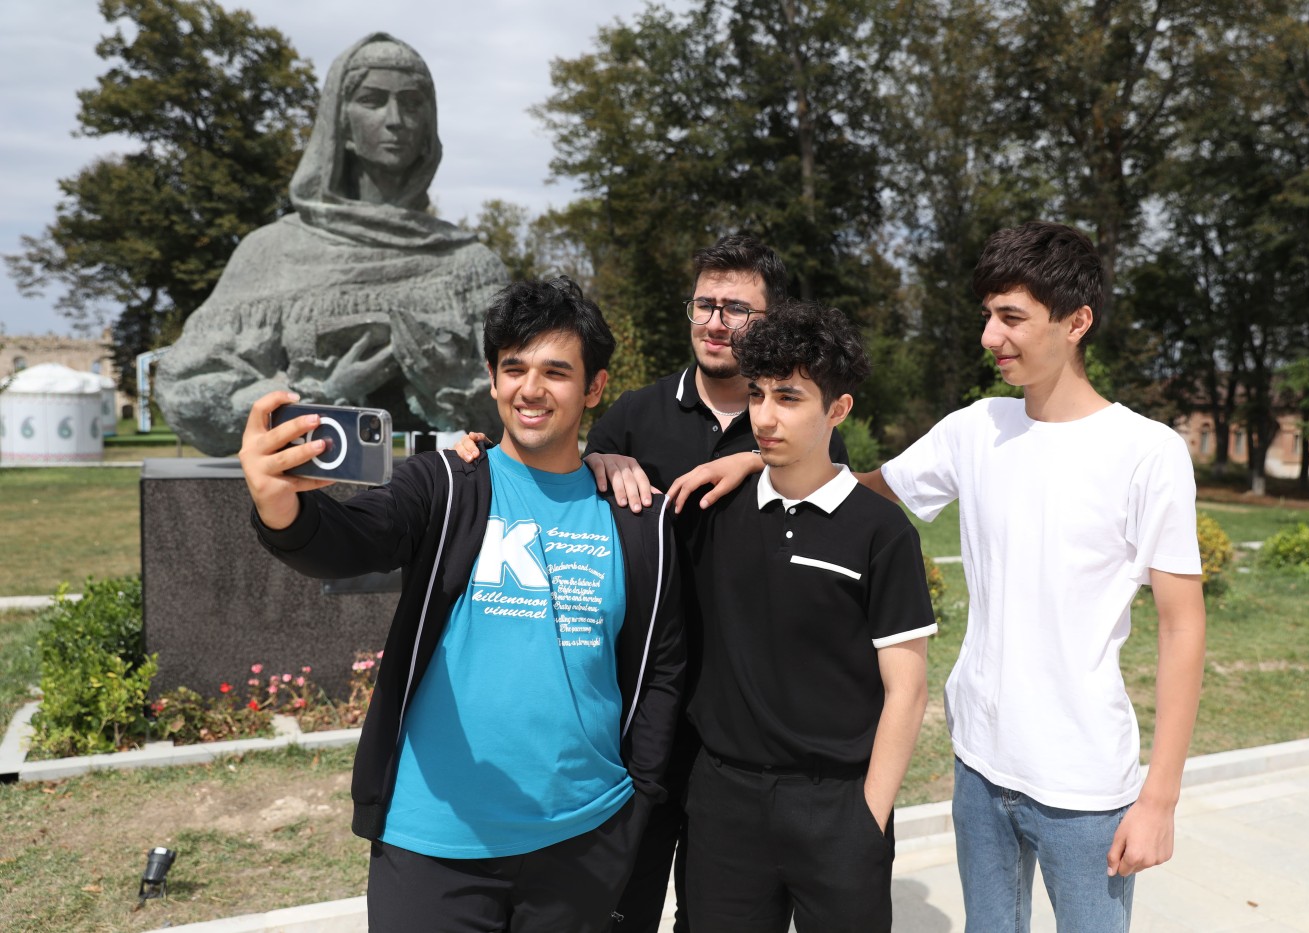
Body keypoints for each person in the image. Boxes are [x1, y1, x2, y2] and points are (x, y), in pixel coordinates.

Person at [238, 277, 685, 932]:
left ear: (594, 388)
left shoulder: (637, 517)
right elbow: (351, 540)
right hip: (433, 844)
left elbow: (663, 669)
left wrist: (636, 800)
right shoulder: (448, 482)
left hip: (584, 840)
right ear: (492, 377)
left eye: (556, 371)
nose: (531, 389)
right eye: (514, 368)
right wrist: (281, 506)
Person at [456, 233, 848, 932]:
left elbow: (841, 502)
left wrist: (755, 463)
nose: (716, 322)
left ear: (774, 317)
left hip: (744, 730)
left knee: (718, 913)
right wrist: (477, 452)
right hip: (639, 711)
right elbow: (544, 458)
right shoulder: (633, 416)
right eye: (705, 303)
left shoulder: (801, 428)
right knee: (617, 905)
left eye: (738, 308)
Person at [861, 221, 1208, 931]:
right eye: (988, 314)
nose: (991, 336)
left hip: (1083, 788)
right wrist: (766, 464)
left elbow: (1182, 622)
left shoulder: (1148, 451)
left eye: (1011, 316)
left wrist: (1159, 799)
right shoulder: (976, 427)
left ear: (1077, 321)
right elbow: (869, 489)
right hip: (978, 766)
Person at [681, 300, 935, 932]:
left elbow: (908, 688)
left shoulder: (882, 533)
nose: (764, 417)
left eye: (789, 398)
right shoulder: (714, 513)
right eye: (758, 395)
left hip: (839, 807)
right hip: (724, 805)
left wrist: (868, 818)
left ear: (838, 410)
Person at [160, 32, 508, 456]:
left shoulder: (471, 264)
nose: (395, 119)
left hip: (446, 495)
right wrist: (320, 393)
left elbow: (520, 409)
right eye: (373, 100)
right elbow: (186, 398)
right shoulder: (272, 253)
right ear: (340, 122)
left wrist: (452, 381)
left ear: (428, 124)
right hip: (304, 497)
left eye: (412, 103)